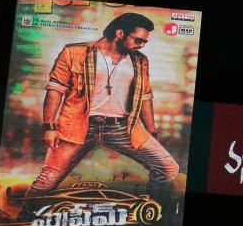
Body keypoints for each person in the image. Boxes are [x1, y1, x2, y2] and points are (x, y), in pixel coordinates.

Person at [28, 12, 179, 201]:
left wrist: (151, 130)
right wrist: (49, 126)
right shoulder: (74, 52)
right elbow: (55, 90)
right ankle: (24, 221)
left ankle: (148, 211)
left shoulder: (140, 61)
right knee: (47, 180)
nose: (141, 45)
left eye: (144, 42)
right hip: (78, 126)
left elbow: (145, 97)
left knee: (168, 168)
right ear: (120, 33)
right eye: (138, 40)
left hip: (122, 128)